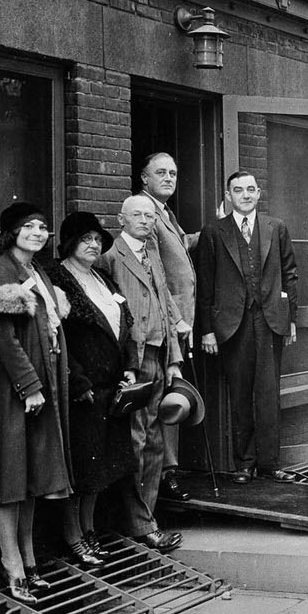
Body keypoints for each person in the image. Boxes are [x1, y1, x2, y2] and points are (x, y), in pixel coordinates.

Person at [0, 201, 73, 604]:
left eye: (43, 227)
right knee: (9, 477)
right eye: (28, 226)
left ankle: (28, 559)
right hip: (14, 391)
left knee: (31, 476)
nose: (37, 233)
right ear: (12, 232)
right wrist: (29, 386)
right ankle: (10, 565)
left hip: (43, 386)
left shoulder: (37, 271)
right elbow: (2, 338)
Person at [46, 211, 138, 568]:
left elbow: (123, 323)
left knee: (100, 469)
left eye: (98, 240)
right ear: (70, 242)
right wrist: (78, 380)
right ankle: (73, 538)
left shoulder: (102, 278)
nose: (93, 245)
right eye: (86, 239)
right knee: (81, 467)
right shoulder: (58, 278)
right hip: (82, 390)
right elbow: (59, 336)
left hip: (111, 389)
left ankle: (89, 531)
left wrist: (130, 367)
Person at [195, 171, 298, 484]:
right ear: (229, 196)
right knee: (240, 395)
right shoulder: (214, 231)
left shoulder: (275, 228)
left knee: (268, 394)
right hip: (233, 324)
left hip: (269, 322)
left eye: (250, 189)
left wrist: (290, 317)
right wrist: (207, 329)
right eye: (238, 190)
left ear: (258, 193)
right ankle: (244, 464)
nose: (245, 195)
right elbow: (205, 283)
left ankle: (269, 464)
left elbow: (291, 273)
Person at [99, 195, 185, 552]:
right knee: (135, 440)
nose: (146, 221)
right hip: (133, 360)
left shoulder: (152, 254)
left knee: (153, 440)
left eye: (150, 216)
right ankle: (135, 524)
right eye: (137, 215)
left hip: (159, 353)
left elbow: (165, 305)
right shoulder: (109, 258)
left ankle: (147, 518)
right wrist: (127, 366)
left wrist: (174, 358)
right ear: (122, 219)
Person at [139, 153, 196, 502]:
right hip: (166, 321)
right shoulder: (145, 213)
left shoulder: (166, 213)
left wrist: (214, 231)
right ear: (143, 178)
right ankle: (166, 474)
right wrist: (176, 318)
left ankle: (168, 470)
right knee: (167, 396)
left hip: (180, 320)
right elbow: (157, 275)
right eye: (160, 172)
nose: (169, 177)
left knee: (174, 391)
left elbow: (180, 247)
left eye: (173, 172)